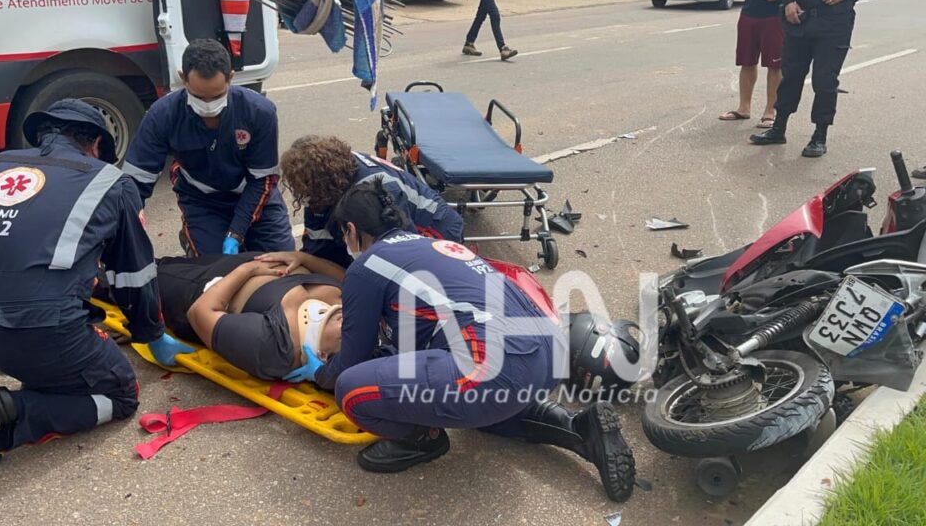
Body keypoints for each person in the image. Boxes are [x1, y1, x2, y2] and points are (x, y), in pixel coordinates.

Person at [283, 180, 636, 503]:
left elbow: (352, 362)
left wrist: (320, 372)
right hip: (546, 357)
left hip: (495, 367)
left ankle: (422, 439)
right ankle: (579, 429)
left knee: (350, 390)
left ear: (351, 230)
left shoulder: (369, 266)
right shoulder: (437, 244)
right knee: (485, 399)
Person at [0, 99, 194, 476]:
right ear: (96, 143)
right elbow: (133, 275)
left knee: (25, 338)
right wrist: (152, 333)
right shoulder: (108, 182)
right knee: (119, 394)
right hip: (31, 327)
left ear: (44, 134)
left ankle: (19, 359)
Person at [122, 39, 294, 256]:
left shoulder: (259, 112)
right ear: (183, 78)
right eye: (199, 97)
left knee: (283, 263)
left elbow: (263, 180)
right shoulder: (162, 115)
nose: (208, 105)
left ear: (231, 78)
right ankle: (193, 237)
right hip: (201, 200)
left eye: (217, 96)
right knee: (214, 270)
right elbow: (135, 181)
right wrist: (127, 222)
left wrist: (236, 233)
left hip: (253, 194)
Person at [750, 0, 895, 157]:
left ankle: (819, 136)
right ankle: (778, 128)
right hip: (800, 18)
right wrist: (788, 1)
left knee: (824, 81)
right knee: (791, 76)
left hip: (835, 23)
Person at [156, 252, 347, 380]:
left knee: (145, 271)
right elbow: (348, 276)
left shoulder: (276, 347)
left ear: (323, 356)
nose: (349, 323)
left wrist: (248, 270)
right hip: (250, 260)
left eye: (344, 335)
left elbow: (199, 313)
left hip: (203, 287)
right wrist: (302, 258)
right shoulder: (351, 309)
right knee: (166, 260)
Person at [279, 135, 464, 267]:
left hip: (435, 232)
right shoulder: (328, 181)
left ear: (321, 181)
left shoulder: (376, 191)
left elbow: (401, 253)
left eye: (304, 186)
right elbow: (317, 244)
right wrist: (309, 262)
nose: (302, 194)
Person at [719, 0, 787, 129]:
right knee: (746, 62)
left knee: (775, 65)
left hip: (776, 14)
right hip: (750, 12)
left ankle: (770, 112)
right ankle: (744, 108)